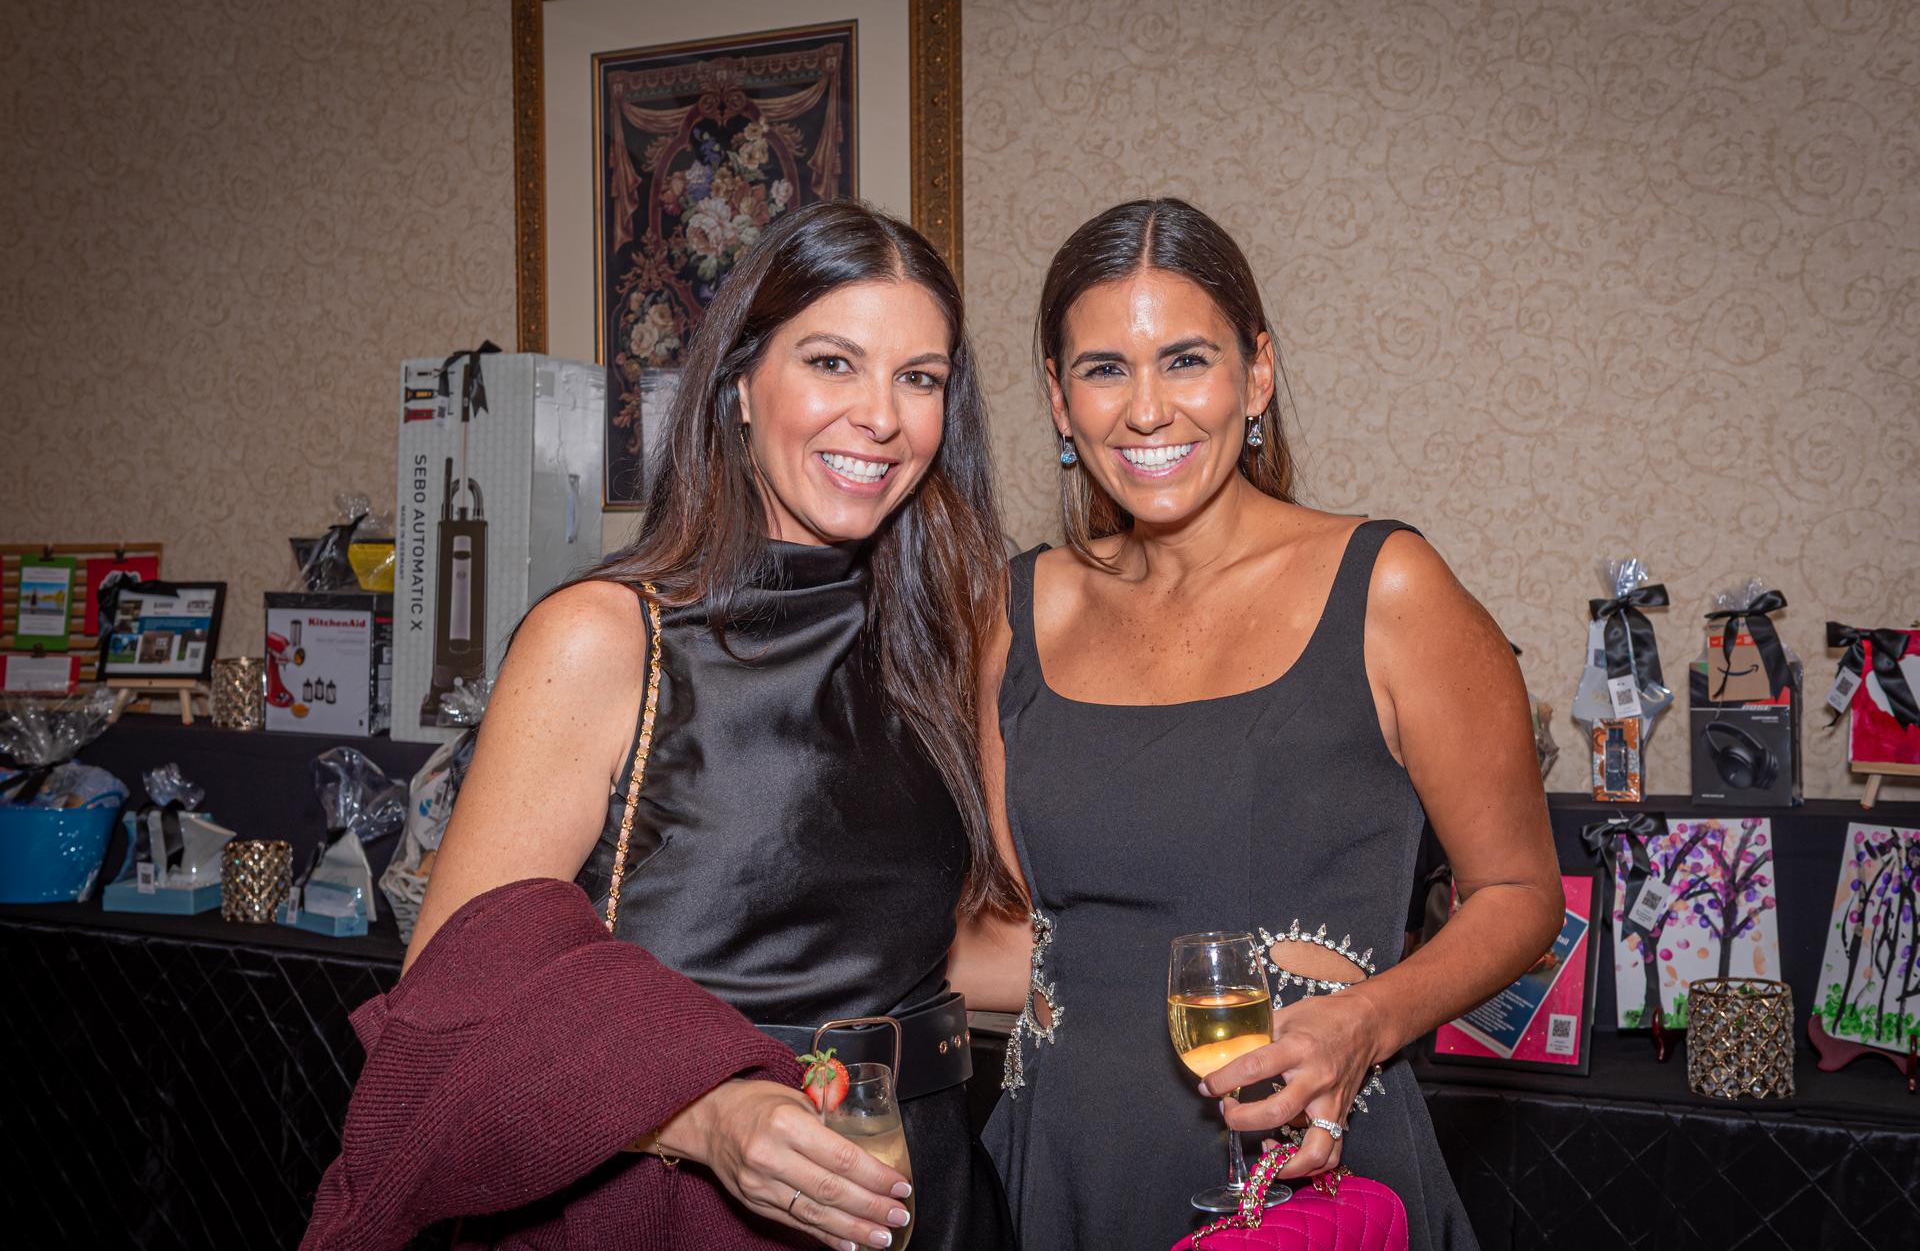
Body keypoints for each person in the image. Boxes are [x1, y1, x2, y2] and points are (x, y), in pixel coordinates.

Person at [394, 199, 1020, 1251]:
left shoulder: (945, 637)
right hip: (679, 1194)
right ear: (737, 384)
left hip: (916, 1179)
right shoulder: (605, 636)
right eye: (832, 362)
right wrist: (711, 1115)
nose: (882, 416)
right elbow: (449, 997)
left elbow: (924, 944)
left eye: (920, 379)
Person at [949, 198, 1563, 1251]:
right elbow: (1017, 933)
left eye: (1186, 359)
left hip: (1303, 1180)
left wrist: (1368, 1021)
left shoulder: (1387, 588)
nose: (1147, 411)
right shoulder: (1014, 612)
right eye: (1104, 370)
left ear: (1257, 372)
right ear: (1058, 400)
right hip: (1056, 1172)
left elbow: (1521, 895)